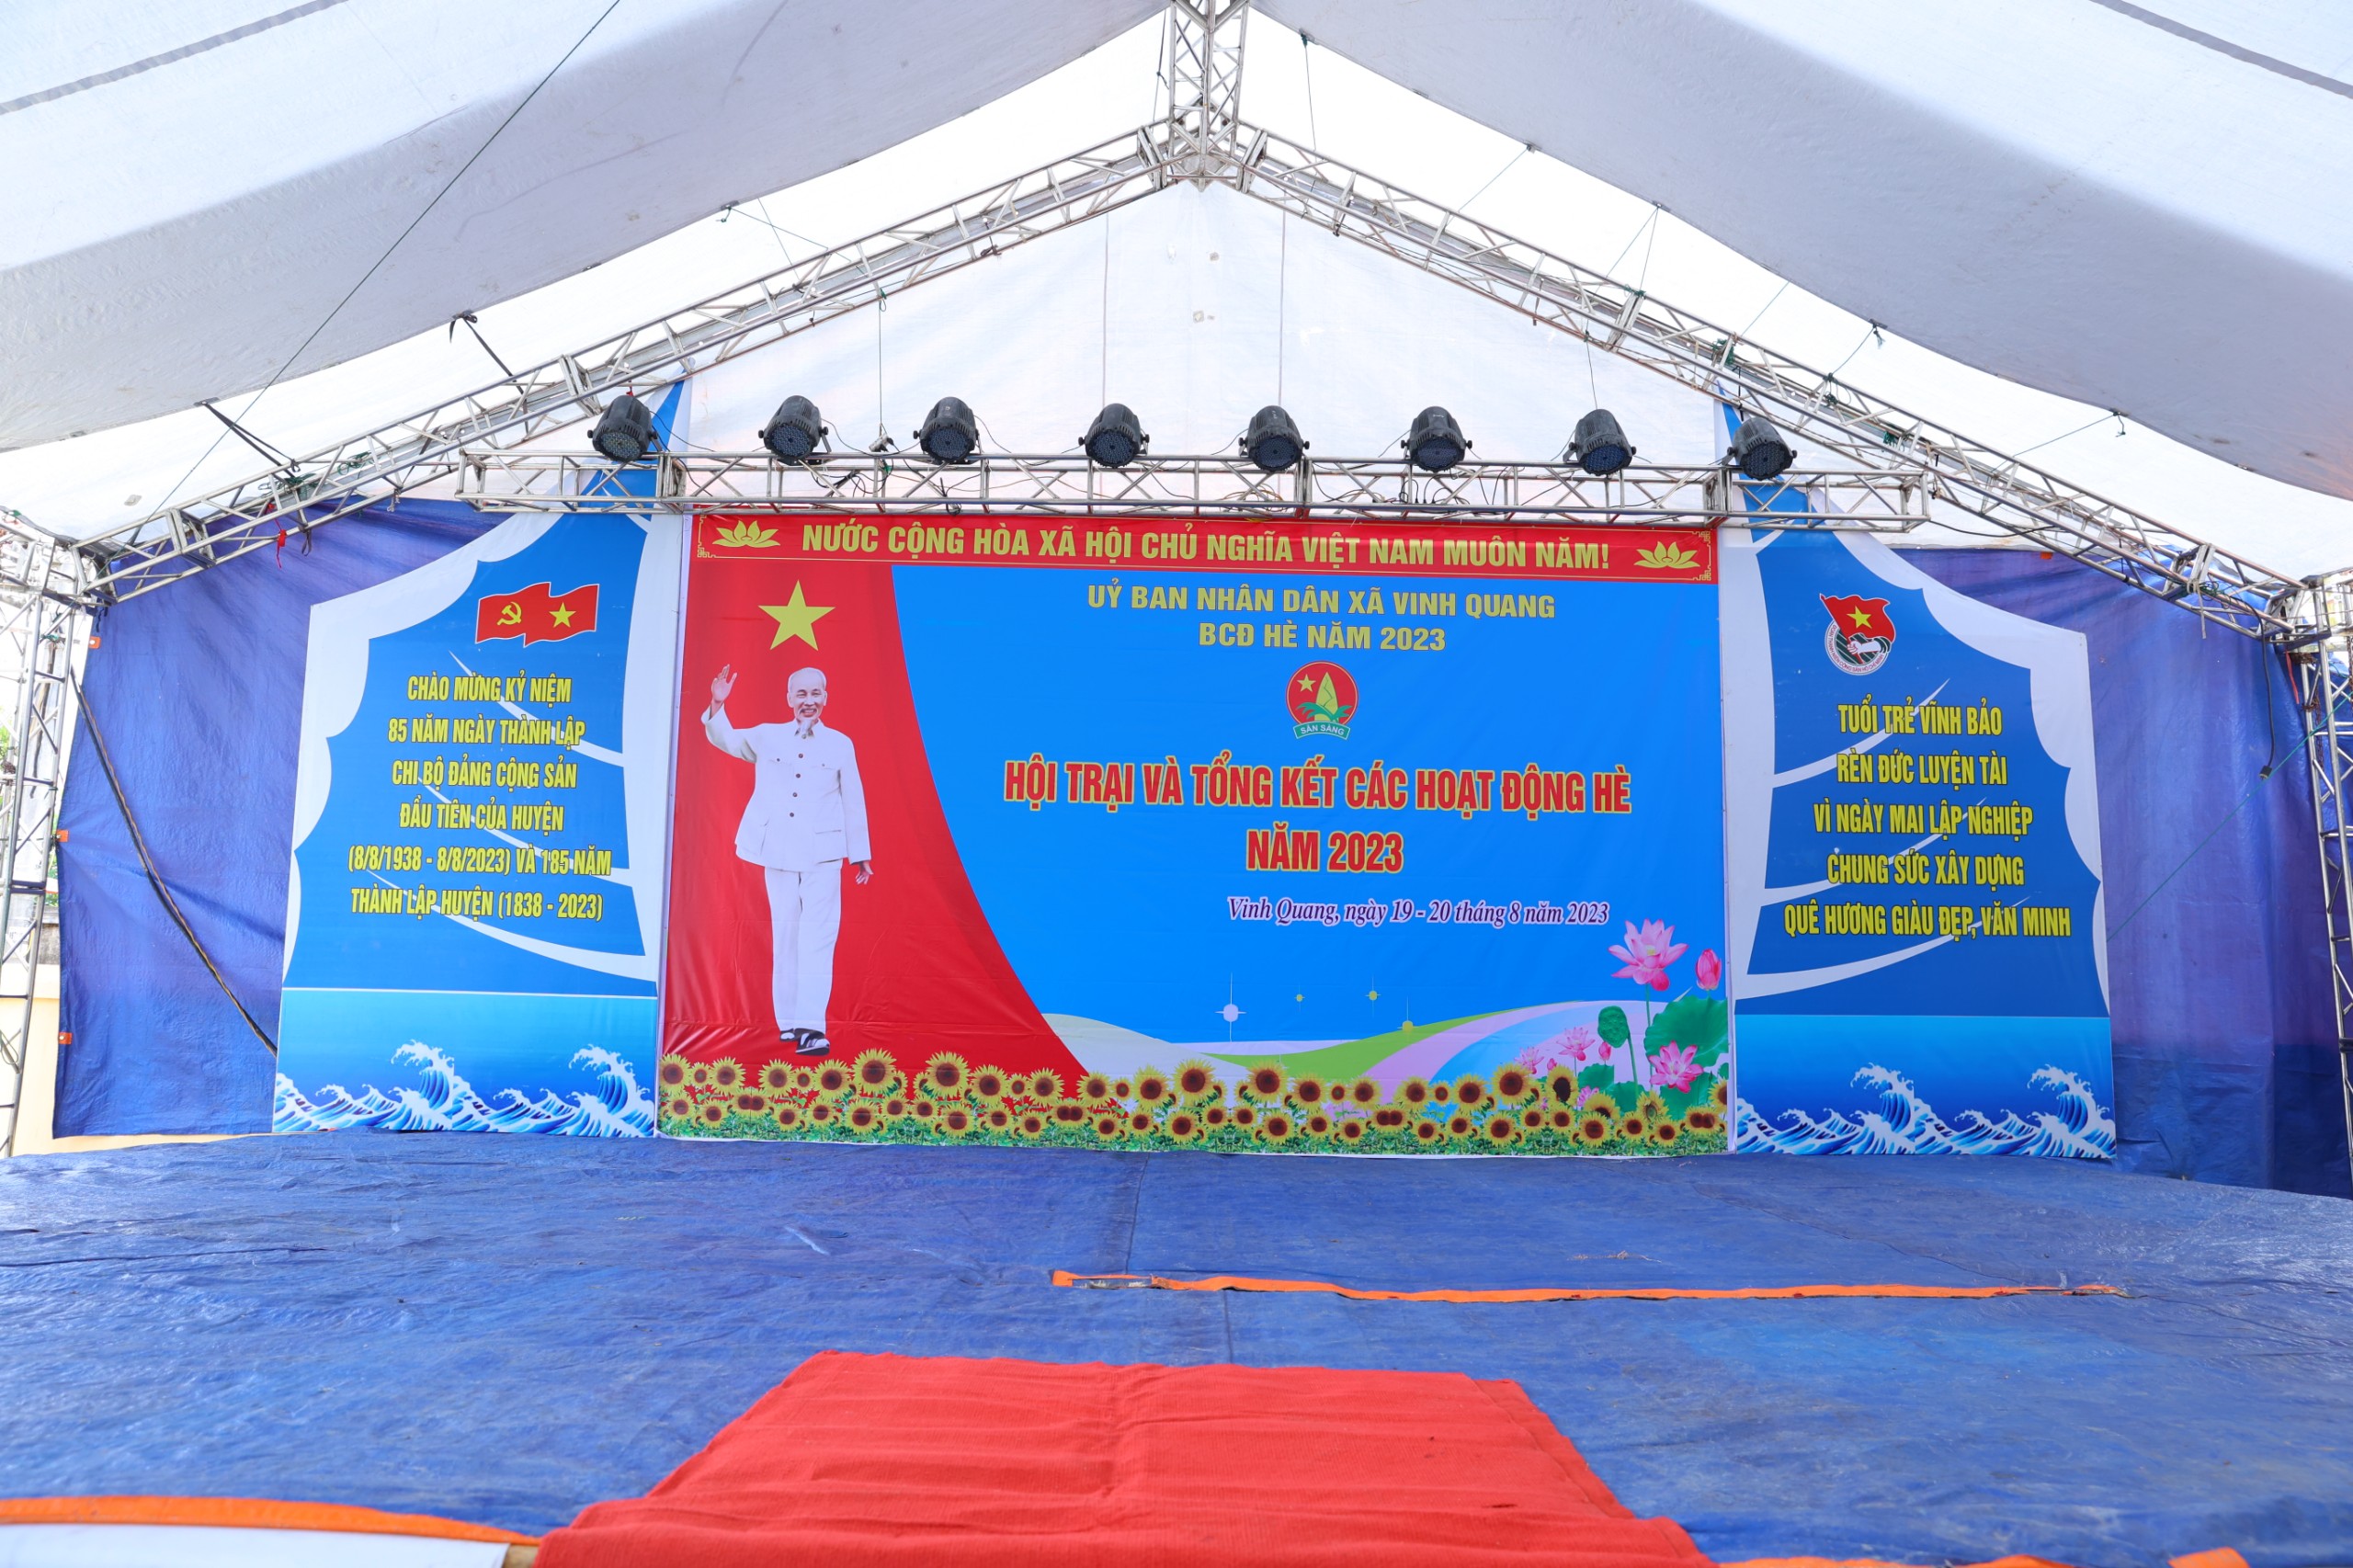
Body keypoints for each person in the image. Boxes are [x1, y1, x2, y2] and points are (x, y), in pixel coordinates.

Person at [704, 664, 871, 1057]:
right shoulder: (767, 735)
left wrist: (860, 854)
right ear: (789, 699)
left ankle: (812, 1027)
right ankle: (789, 1023)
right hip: (777, 851)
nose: (808, 701)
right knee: (786, 936)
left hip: (823, 856)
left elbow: (854, 799)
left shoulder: (840, 744)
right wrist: (717, 703)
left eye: (816, 693)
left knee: (819, 939)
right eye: (801, 694)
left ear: (825, 697)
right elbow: (725, 738)